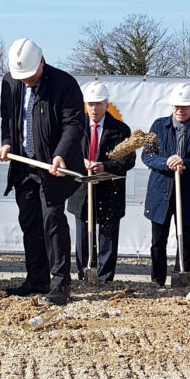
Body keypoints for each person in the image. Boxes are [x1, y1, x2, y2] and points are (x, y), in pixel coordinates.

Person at [0, 38, 85, 305]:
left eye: (30, 76)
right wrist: (7, 143)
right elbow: (9, 118)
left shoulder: (64, 84)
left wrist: (61, 154)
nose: (25, 81)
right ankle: (37, 278)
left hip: (53, 167)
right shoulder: (10, 82)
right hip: (23, 165)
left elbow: (74, 124)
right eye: (20, 77)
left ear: (42, 63)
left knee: (53, 222)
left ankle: (60, 282)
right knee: (30, 221)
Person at [141, 83, 190, 287]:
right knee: (158, 240)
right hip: (161, 191)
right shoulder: (158, 126)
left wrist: (186, 163)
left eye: (184, 106)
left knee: (185, 239)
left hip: (188, 192)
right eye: (176, 106)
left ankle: (180, 277)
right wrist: (166, 162)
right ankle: (157, 280)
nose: (179, 110)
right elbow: (147, 156)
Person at [67, 81, 135, 284]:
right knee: (83, 236)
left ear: (107, 104)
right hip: (82, 191)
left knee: (108, 237)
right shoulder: (76, 127)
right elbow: (66, 151)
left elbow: (128, 160)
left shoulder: (121, 130)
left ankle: (105, 279)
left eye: (98, 104)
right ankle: (84, 274)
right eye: (90, 104)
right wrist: (81, 162)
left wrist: (105, 166)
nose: (94, 109)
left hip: (109, 191)